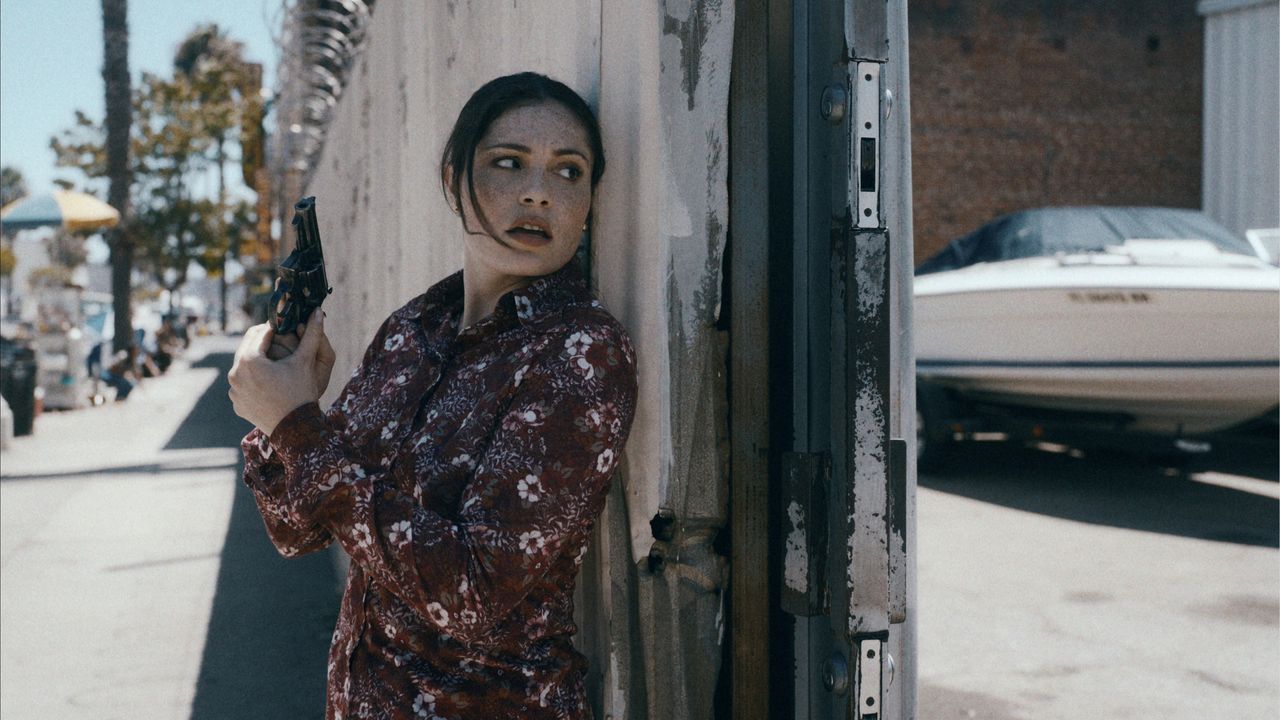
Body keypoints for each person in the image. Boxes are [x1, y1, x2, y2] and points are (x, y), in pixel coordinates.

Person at [228, 72, 638, 719]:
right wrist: (283, 413)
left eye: (569, 172)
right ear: (453, 180)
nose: (539, 192)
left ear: (588, 201)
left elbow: (473, 593)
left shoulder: (580, 353)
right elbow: (297, 530)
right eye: (509, 163)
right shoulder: (414, 328)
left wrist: (299, 426)